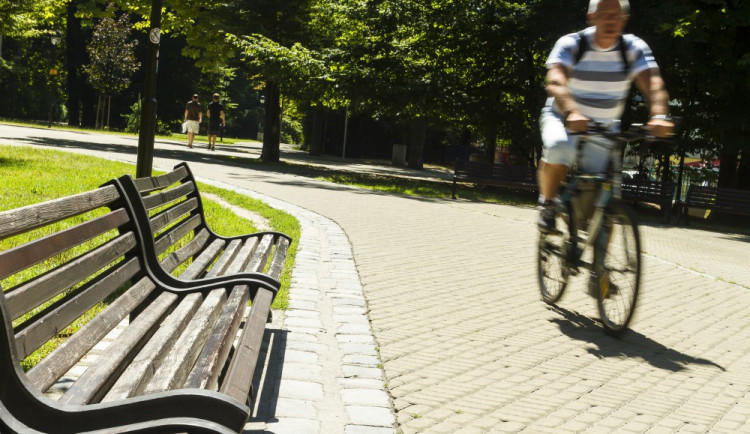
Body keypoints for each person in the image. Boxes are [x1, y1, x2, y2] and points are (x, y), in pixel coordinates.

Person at [537, 0, 673, 233]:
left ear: (624, 19)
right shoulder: (572, 43)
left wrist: (659, 115)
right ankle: (548, 205)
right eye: (604, 14)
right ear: (591, 17)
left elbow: (653, 84)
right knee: (560, 147)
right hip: (563, 116)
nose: (611, 20)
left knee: (604, 202)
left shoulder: (633, 47)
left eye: (616, 15)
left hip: (604, 127)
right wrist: (572, 111)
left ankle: (600, 267)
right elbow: (556, 81)